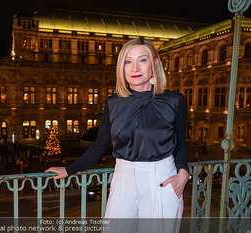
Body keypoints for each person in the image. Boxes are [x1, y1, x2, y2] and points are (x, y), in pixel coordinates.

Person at [46, 39, 189, 220]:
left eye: (142, 60)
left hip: (161, 177)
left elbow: (180, 141)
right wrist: (69, 170)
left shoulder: (174, 100)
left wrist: (183, 174)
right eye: (128, 61)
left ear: (155, 63)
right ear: (122, 67)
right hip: (123, 177)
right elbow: (101, 143)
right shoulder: (113, 103)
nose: (134, 68)